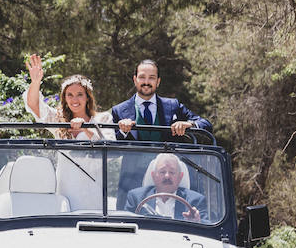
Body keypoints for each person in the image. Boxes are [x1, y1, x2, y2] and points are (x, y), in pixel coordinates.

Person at [108, 59, 211, 204]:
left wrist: (188, 124)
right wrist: (123, 131)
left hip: (169, 183)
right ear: (135, 79)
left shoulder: (173, 106)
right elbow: (113, 147)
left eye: (152, 78)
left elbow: (206, 124)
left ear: (158, 81)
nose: (146, 82)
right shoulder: (119, 110)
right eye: (142, 77)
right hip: (132, 185)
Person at [24, 54, 110, 210]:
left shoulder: (103, 118)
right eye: (69, 95)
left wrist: (86, 128)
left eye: (79, 94)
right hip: (65, 190)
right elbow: (34, 106)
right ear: (64, 98)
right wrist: (36, 81)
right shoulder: (59, 120)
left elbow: (110, 147)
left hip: (93, 191)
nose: (74, 99)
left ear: (88, 98)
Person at [124, 154, 208, 221]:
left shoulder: (195, 201)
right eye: (162, 172)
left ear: (180, 176)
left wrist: (197, 221)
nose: (167, 176)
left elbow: (207, 227)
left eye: (172, 172)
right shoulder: (136, 197)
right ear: (153, 176)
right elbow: (126, 224)